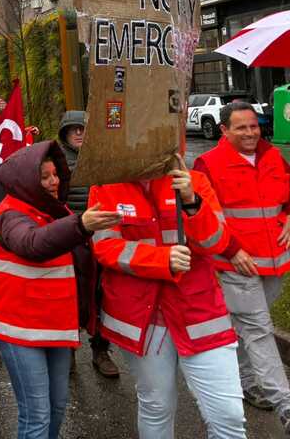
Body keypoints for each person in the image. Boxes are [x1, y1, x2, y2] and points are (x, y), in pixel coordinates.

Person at [90, 161, 246, 439]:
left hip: (199, 313)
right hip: (141, 318)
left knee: (229, 415)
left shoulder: (194, 181)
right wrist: (161, 259)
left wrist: (191, 202)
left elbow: (218, 243)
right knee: (156, 405)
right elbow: (105, 247)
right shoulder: (106, 186)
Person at [0, 141, 120, 439]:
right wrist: (81, 224)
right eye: (44, 176)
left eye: (55, 174)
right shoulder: (10, 214)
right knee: (36, 416)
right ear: (27, 182)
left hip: (55, 325)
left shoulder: (54, 209)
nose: (54, 181)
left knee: (57, 407)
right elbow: (32, 244)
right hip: (20, 330)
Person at [193, 101, 290, 433]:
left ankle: (242, 380)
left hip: (276, 262)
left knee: (247, 325)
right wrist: (230, 251)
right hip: (236, 264)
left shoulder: (271, 156)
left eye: (254, 126)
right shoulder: (207, 164)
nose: (250, 132)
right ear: (224, 130)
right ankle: (287, 403)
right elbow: (198, 217)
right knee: (257, 327)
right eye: (241, 127)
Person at [56, 110, 120, 378]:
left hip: (103, 236)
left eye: (83, 128)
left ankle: (100, 349)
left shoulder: (103, 158)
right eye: (74, 129)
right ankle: (67, 349)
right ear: (65, 133)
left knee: (103, 295)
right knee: (71, 295)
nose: (79, 133)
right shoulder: (55, 161)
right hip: (72, 237)